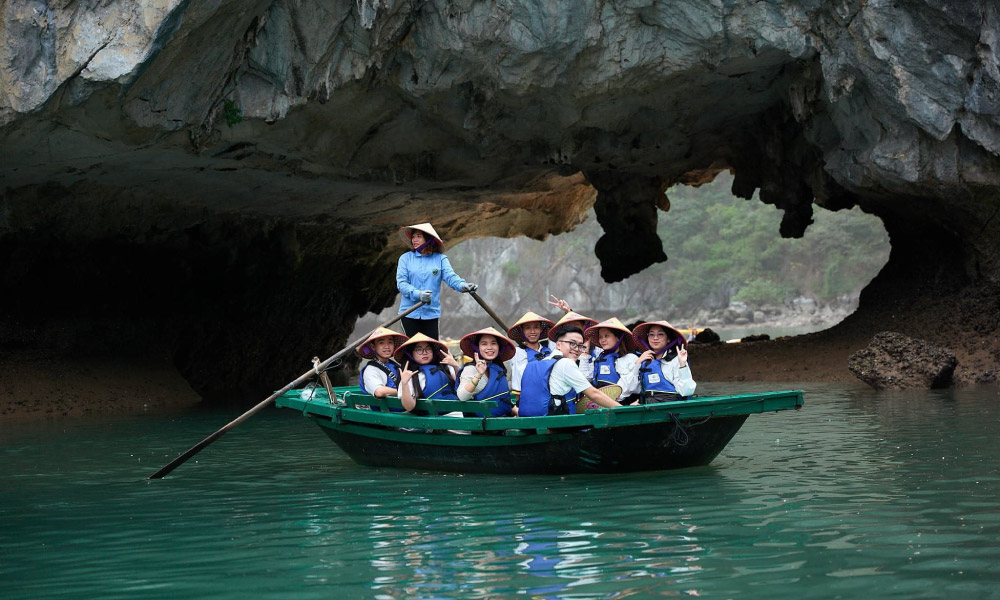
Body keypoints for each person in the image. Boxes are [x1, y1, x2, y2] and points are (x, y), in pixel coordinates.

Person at [396, 223, 478, 339]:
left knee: (432, 348)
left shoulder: (440, 259)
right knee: (413, 347)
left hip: (431, 313)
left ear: (428, 239)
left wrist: (463, 285)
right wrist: (418, 294)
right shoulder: (405, 258)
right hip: (409, 313)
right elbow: (402, 283)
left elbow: (451, 277)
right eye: (413, 237)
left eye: (419, 236)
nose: (414, 240)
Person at [519, 325, 621, 417]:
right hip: (554, 423)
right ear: (558, 345)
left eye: (580, 346)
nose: (577, 349)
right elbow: (593, 394)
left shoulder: (541, 362)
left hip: (531, 421)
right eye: (572, 343)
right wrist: (623, 409)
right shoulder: (566, 363)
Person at [621, 321, 696, 402]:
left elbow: (687, 391)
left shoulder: (676, 360)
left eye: (660, 334)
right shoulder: (644, 361)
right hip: (648, 408)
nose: (655, 338)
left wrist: (683, 365)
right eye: (651, 334)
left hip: (671, 410)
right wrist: (637, 364)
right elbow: (629, 389)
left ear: (668, 339)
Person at [394, 332, 464, 412]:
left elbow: (463, 386)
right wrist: (404, 383)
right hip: (432, 420)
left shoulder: (445, 367)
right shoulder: (409, 376)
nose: (424, 353)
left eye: (428, 349)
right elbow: (409, 407)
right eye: (419, 349)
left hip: (457, 411)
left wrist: (456, 366)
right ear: (411, 354)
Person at [456, 326, 517, 417]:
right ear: (477, 348)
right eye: (484, 344)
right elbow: (462, 396)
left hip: (503, 421)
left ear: (499, 347)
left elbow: (503, 399)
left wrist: (522, 413)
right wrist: (479, 374)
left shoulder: (499, 369)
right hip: (481, 426)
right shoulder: (471, 369)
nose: (489, 347)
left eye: (493, 343)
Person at [507, 311, 555, 398]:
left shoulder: (550, 349)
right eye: (528, 328)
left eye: (536, 327)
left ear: (541, 329)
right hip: (525, 399)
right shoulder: (516, 352)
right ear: (522, 331)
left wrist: (567, 312)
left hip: (549, 398)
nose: (532, 331)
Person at [582, 317, 639, 390]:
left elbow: (628, 388)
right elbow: (584, 379)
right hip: (601, 399)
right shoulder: (598, 359)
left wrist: (607, 400)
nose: (603, 340)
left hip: (621, 400)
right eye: (600, 337)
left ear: (618, 338)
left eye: (607, 336)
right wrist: (585, 351)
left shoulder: (630, 358)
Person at [357, 326, 409, 400]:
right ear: (373, 346)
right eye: (381, 343)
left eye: (390, 342)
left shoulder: (393, 365)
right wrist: (406, 392)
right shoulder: (371, 370)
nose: (387, 346)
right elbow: (379, 391)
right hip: (385, 410)